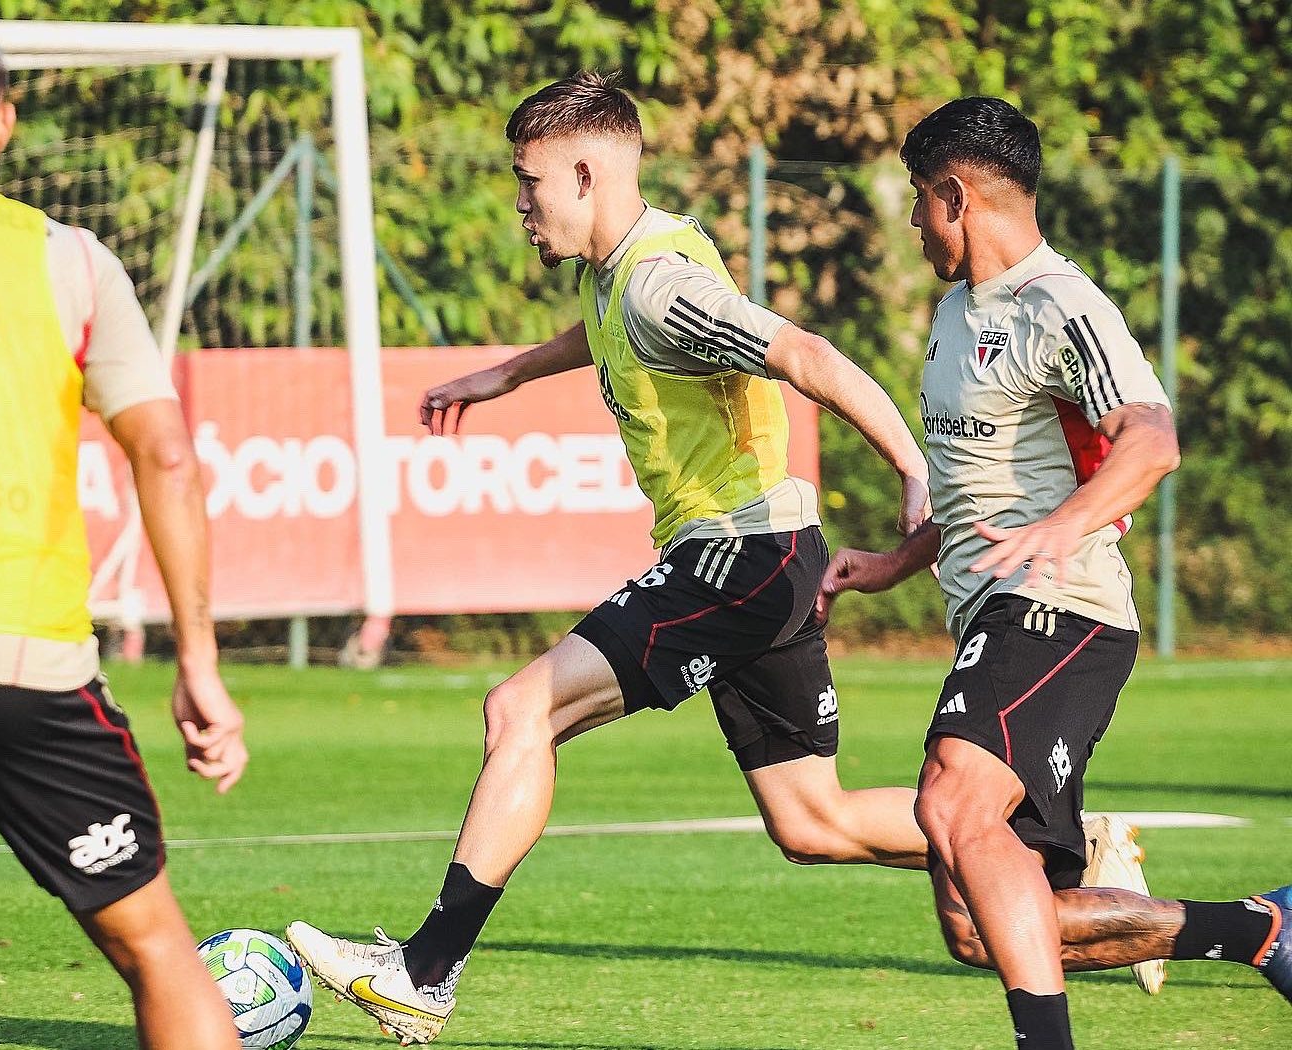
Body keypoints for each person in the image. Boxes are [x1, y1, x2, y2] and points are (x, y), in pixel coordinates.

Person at [285, 70, 935, 1044]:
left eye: (528, 180)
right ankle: (1054, 848)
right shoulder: (624, 271)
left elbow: (811, 359)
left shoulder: (664, 287)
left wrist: (914, 475)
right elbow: (598, 329)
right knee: (814, 823)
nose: (518, 203)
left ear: (585, 173)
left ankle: (423, 972)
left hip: (737, 555)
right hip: (767, 557)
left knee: (520, 709)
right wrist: (503, 374)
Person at [817, 95, 1290, 1050]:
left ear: (956, 197)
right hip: (1001, 609)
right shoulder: (957, 313)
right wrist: (896, 564)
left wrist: (1061, 529)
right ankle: (1263, 931)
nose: (912, 222)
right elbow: (982, 492)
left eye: (918, 202)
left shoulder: (1059, 304)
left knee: (949, 800)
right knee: (977, 925)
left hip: (1062, 609)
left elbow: (1152, 443)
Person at [0, 13, 248, 1049]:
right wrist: (198, 661)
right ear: (5, 125)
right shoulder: (68, 257)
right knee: (156, 945)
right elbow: (164, 456)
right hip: (28, 664)